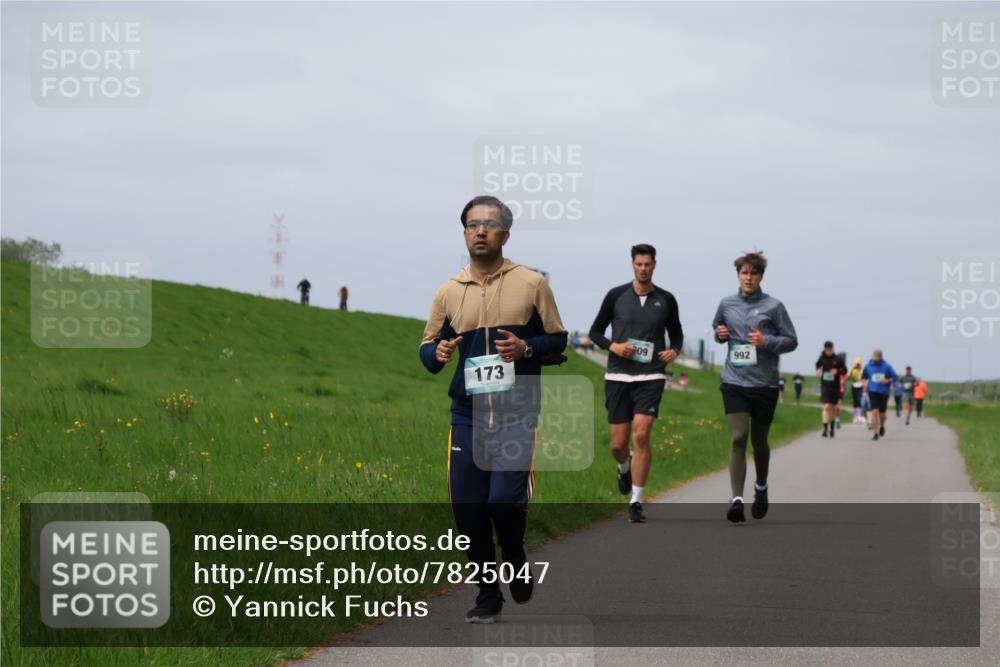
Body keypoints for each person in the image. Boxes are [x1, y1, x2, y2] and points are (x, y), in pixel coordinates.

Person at [419, 195, 568, 623]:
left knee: (503, 502)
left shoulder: (532, 283)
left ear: (505, 233)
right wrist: (440, 352)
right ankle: (488, 593)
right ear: (464, 232)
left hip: (516, 411)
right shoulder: (448, 291)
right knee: (468, 508)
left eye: (489, 224)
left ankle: (516, 557)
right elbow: (427, 352)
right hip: (467, 415)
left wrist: (526, 347)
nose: (480, 230)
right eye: (472, 224)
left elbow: (557, 342)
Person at [589, 244, 684, 524]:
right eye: (639, 264)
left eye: (648, 264)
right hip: (618, 375)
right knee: (618, 445)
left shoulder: (666, 299)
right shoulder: (616, 295)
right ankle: (623, 466)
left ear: (655, 265)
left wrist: (674, 351)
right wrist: (613, 347)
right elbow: (595, 331)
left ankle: (636, 501)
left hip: (651, 375)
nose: (643, 268)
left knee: (641, 436)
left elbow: (677, 334)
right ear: (632, 264)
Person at [712, 251, 798, 523]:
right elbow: (718, 328)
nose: (748, 278)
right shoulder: (726, 303)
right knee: (738, 437)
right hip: (734, 382)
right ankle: (737, 499)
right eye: (744, 273)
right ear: (738, 275)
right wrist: (719, 334)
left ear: (761, 276)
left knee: (759, 441)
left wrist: (766, 341)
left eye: (753, 273)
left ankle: (761, 487)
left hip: (765, 384)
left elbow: (791, 340)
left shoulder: (774, 306)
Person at [862, 349, 898, 442]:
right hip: (872, 391)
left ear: (881, 357)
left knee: (882, 415)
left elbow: (895, 377)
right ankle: (875, 433)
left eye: (877, 358)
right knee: (874, 411)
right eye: (874, 358)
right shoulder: (868, 366)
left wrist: (888, 381)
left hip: (883, 392)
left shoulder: (887, 366)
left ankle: (882, 425)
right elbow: (864, 377)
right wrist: (864, 384)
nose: (875, 360)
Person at [816, 342, 846, 439]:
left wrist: (838, 371)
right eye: (827, 349)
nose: (828, 351)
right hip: (824, 385)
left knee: (833, 408)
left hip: (835, 386)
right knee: (826, 406)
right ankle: (825, 429)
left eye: (830, 349)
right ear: (824, 349)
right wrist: (818, 370)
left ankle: (832, 429)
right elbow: (817, 365)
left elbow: (845, 370)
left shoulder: (838, 359)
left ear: (833, 349)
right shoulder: (822, 358)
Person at [845, 357, 865, 424]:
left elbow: (865, 377)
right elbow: (847, 378)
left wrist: (863, 382)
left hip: (860, 386)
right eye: (857, 364)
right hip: (854, 386)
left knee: (859, 400)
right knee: (855, 401)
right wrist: (852, 376)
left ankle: (859, 416)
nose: (858, 365)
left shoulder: (862, 370)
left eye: (859, 364)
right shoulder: (852, 369)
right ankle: (855, 417)